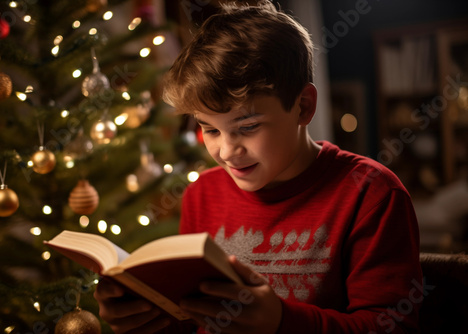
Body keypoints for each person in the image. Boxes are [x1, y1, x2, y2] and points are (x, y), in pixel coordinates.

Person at [94, 1, 423, 333]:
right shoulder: (202, 194)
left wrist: (281, 322)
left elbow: (393, 326)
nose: (226, 151)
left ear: (303, 106)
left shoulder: (372, 194)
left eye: (248, 127)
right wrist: (141, 314)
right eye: (210, 129)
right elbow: (195, 319)